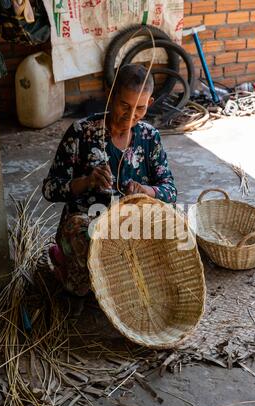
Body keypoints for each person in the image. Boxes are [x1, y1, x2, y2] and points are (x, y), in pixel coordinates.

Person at [42, 64, 177, 297]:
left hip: (128, 225)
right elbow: (50, 189)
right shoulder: (81, 132)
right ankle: (64, 259)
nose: (131, 115)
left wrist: (146, 190)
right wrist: (86, 182)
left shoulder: (149, 137)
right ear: (111, 93)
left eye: (140, 108)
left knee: (174, 231)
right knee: (83, 287)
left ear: (150, 103)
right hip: (89, 223)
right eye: (125, 105)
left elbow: (170, 191)